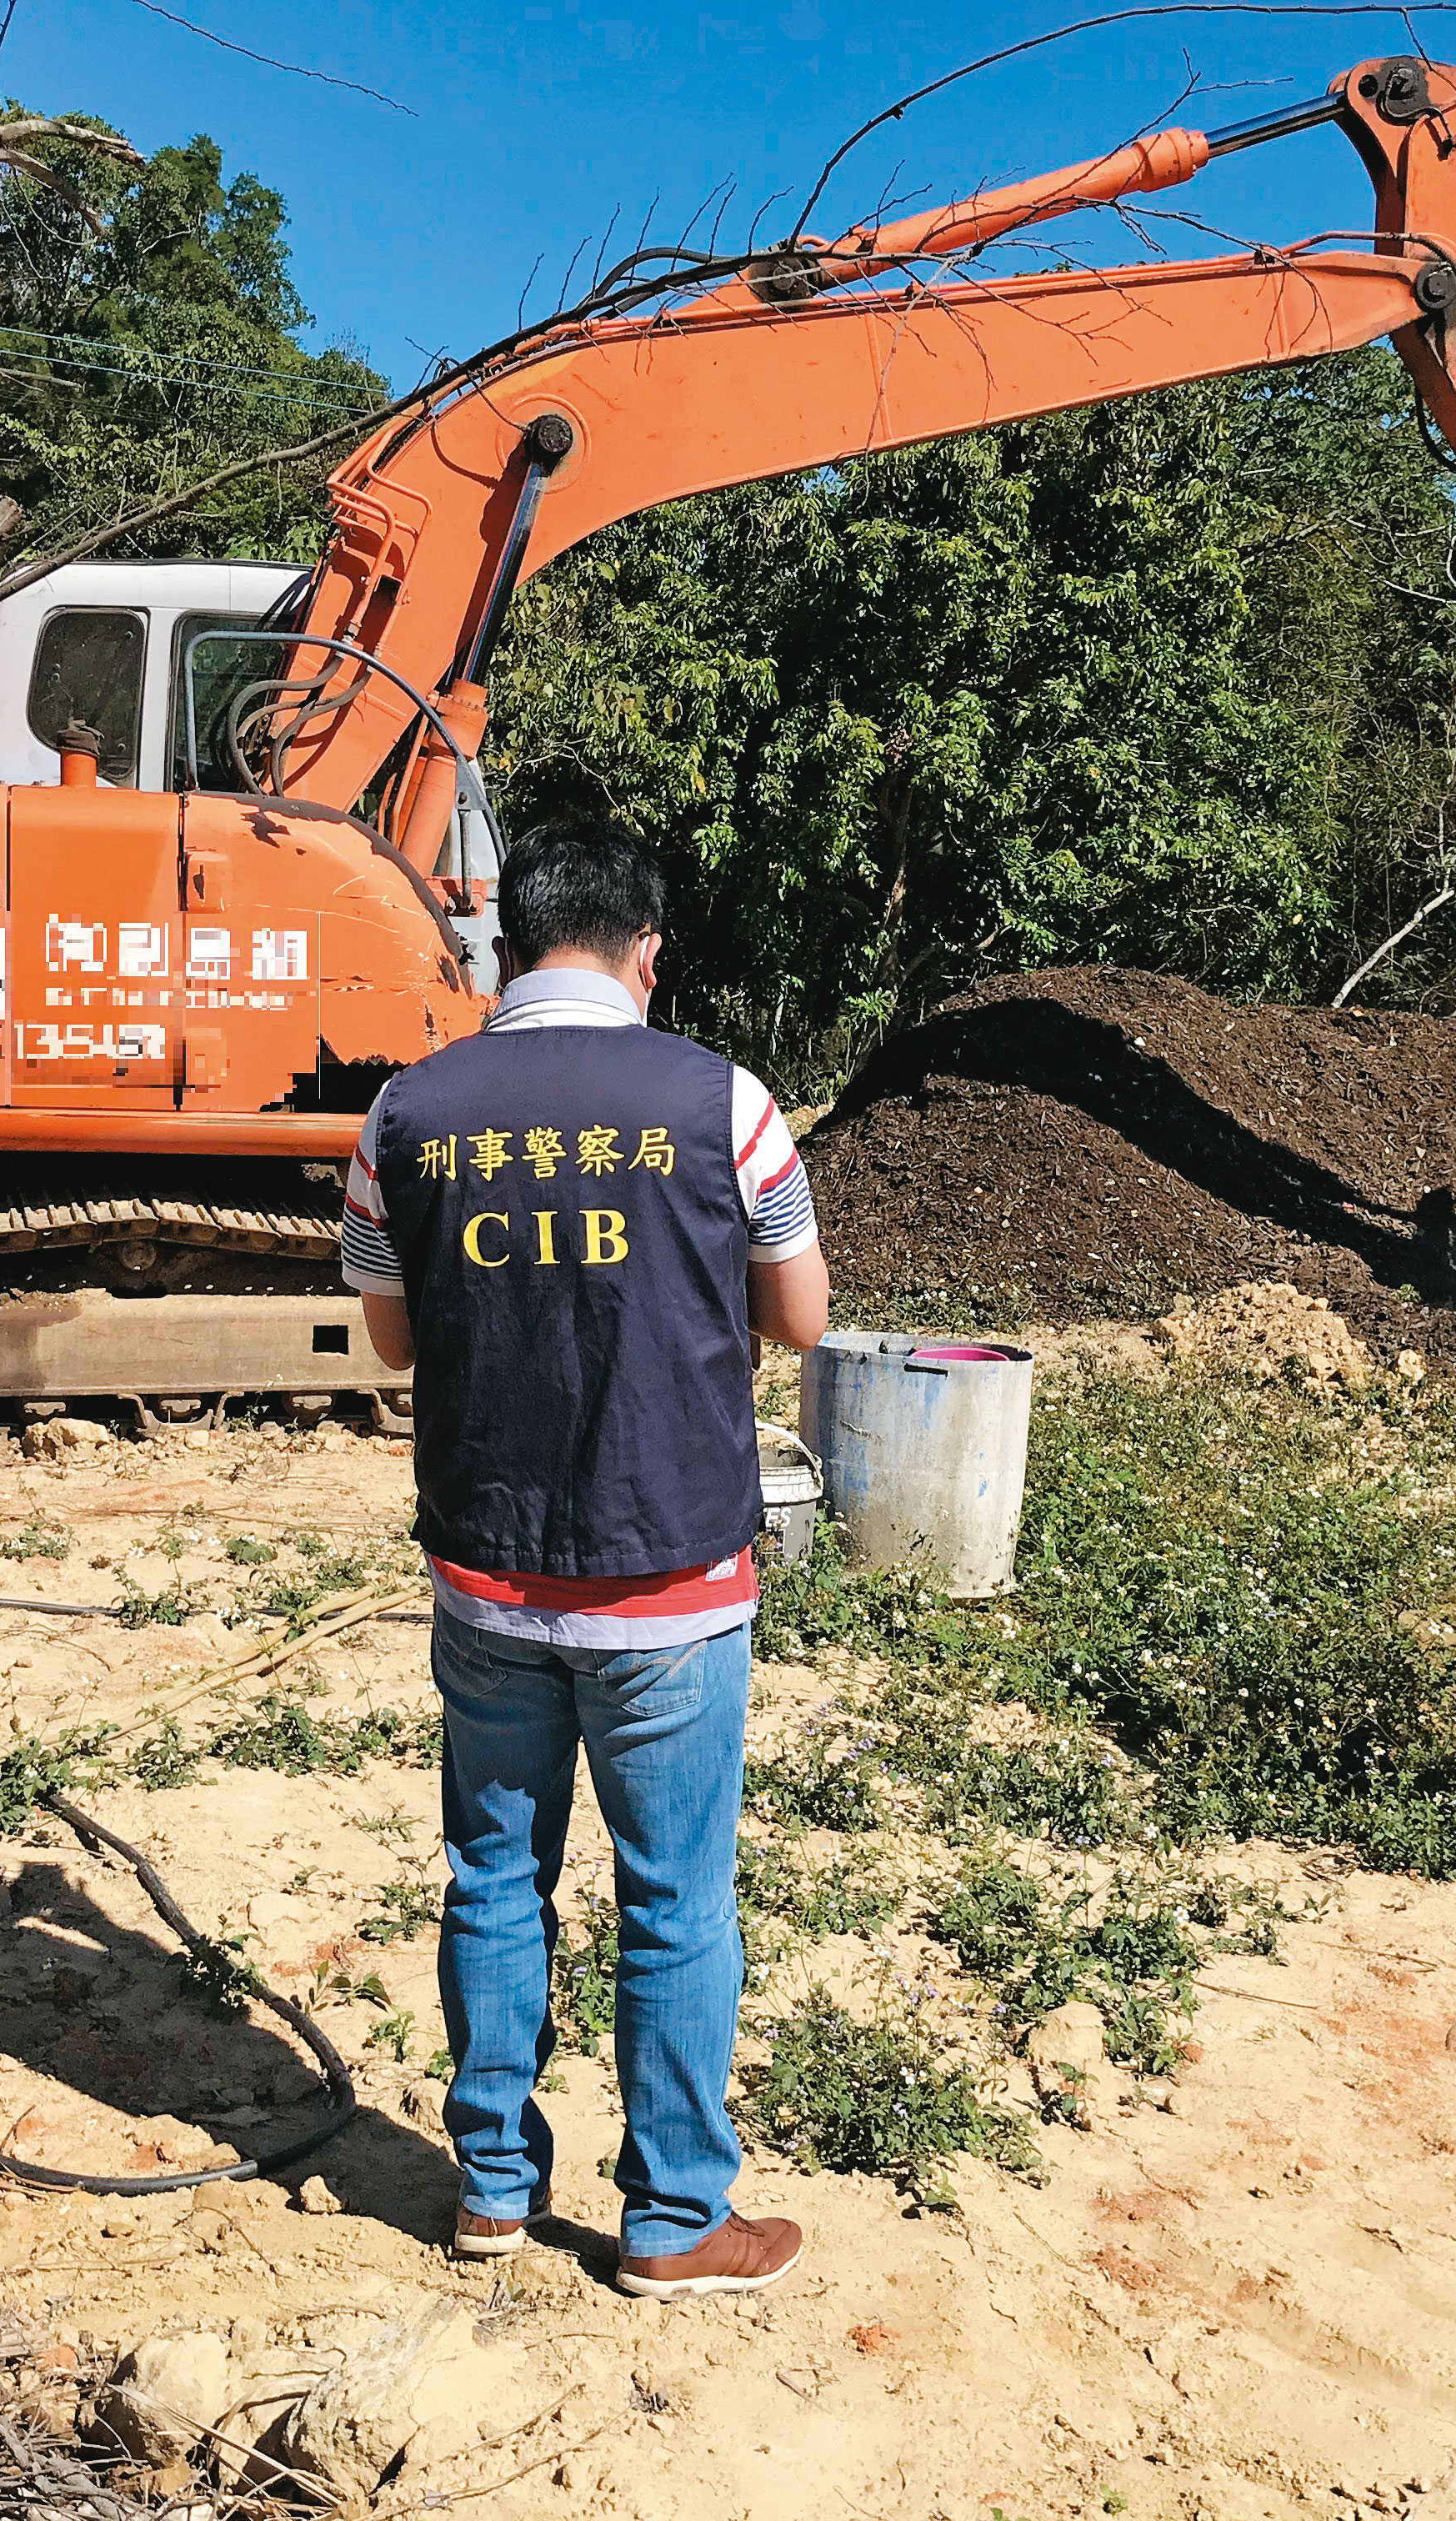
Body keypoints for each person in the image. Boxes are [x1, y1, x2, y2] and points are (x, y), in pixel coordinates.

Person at [340, 817, 830, 2299]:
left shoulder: (408, 1114)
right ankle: (675, 2215)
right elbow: (801, 1316)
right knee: (674, 1891)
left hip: (487, 1574)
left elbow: (390, 1334)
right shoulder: (723, 1103)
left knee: (493, 1873)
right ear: (647, 949)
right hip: (668, 1580)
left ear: (505, 946)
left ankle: (491, 2184)